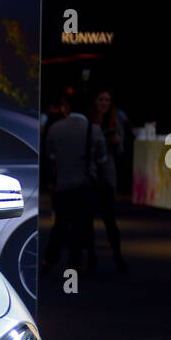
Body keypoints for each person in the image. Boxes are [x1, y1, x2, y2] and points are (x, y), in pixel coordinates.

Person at [41, 91, 104, 274]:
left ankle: (48, 260)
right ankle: (76, 264)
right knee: (80, 225)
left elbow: (50, 156)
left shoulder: (55, 128)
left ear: (66, 107)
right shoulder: (94, 129)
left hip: (62, 184)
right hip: (84, 185)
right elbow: (101, 158)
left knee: (60, 224)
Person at [86, 89, 127, 272]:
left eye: (107, 100)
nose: (104, 103)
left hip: (107, 174)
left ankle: (117, 255)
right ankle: (91, 257)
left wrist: (116, 142)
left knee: (109, 218)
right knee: (87, 219)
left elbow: (121, 152)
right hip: (88, 174)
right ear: (94, 101)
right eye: (101, 99)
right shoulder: (87, 122)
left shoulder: (115, 122)